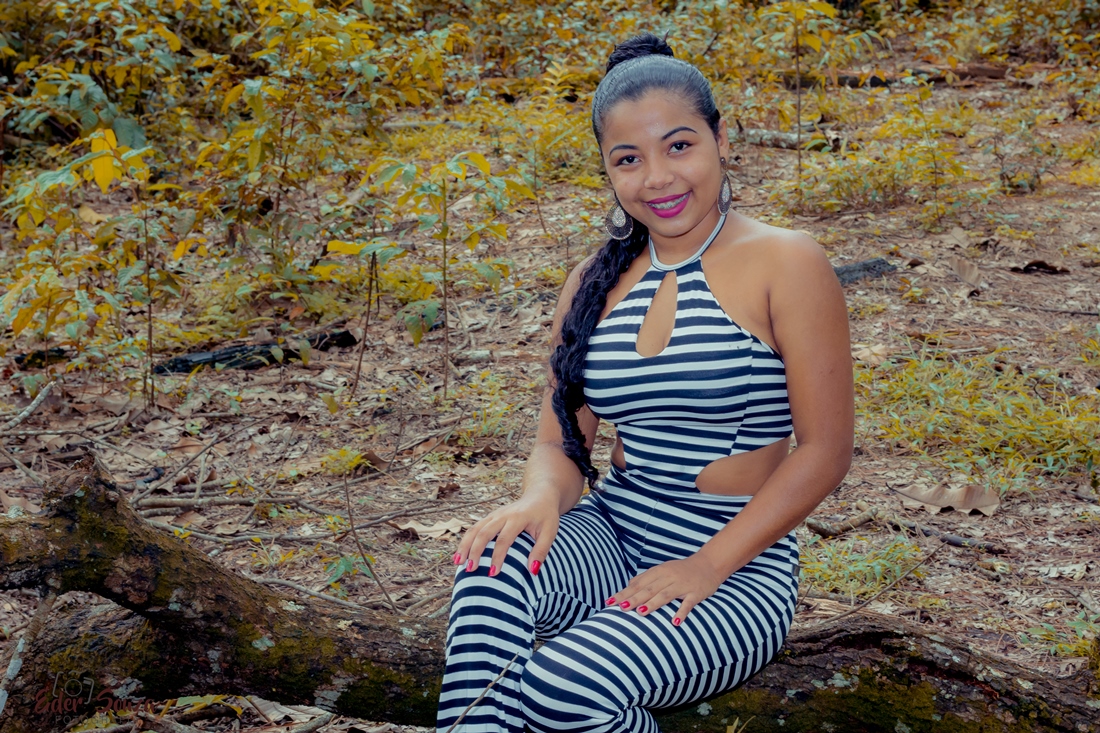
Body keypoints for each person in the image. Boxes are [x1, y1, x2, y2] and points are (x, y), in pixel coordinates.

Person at [436, 32, 854, 733]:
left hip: (735, 571)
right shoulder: (593, 280)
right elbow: (559, 442)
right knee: (488, 570)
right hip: (611, 534)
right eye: (628, 159)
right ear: (607, 168)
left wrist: (705, 567)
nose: (657, 178)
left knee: (559, 690)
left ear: (722, 139)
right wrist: (539, 499)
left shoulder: (787, 261)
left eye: (679, 146)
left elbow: (825, 451)